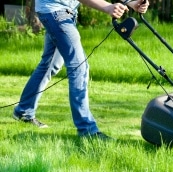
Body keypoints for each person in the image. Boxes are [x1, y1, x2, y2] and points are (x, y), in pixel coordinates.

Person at [13, 0, 149, 139]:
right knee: (79, 67)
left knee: (49, 66)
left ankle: (24, 111)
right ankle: (87, 130)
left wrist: (131, 2)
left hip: (60, 12)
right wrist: (108, 7)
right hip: (55, 12)